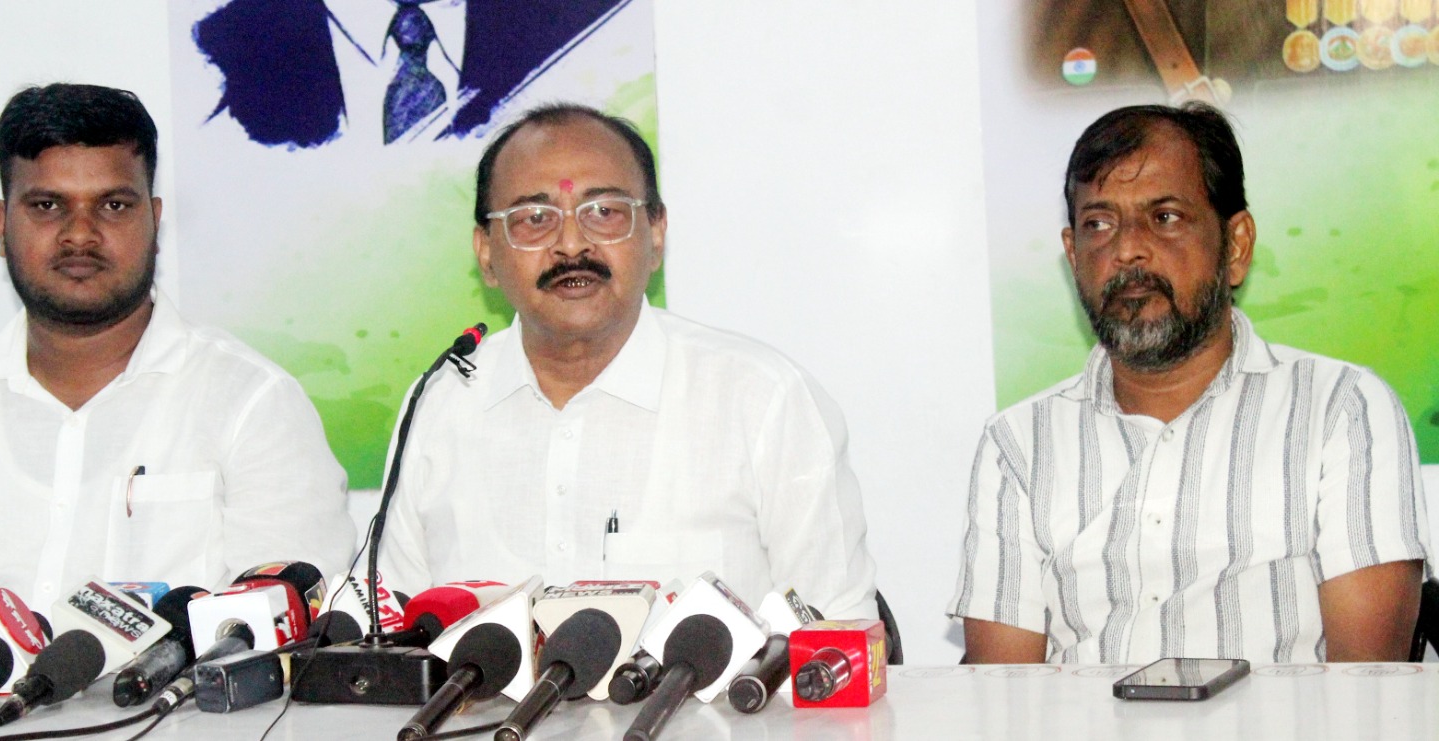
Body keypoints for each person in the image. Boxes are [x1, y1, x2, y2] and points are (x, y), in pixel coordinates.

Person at [0, 83, 354, 648]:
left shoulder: (251, 404)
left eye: (113, 205)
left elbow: (289, 645)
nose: (80, 234)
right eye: (47, 205)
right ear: (1, 224)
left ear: (155, 220)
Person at [949, 103, 1429, 664]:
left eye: (1166, 217)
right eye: (1099, 224)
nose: (1127, 249)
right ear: (1073, 254)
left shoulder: (1340, 410)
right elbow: (1003, 693)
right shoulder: (1019, 442)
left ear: (1236, 245)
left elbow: (1367, 687)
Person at [375, 103, 878, 618]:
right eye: (535, 219)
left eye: (604, 212)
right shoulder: (440, 402)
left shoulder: (762, 400)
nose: (571, 244)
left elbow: (840, 635)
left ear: (656, 233)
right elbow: (389, 632)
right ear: (486, 252)